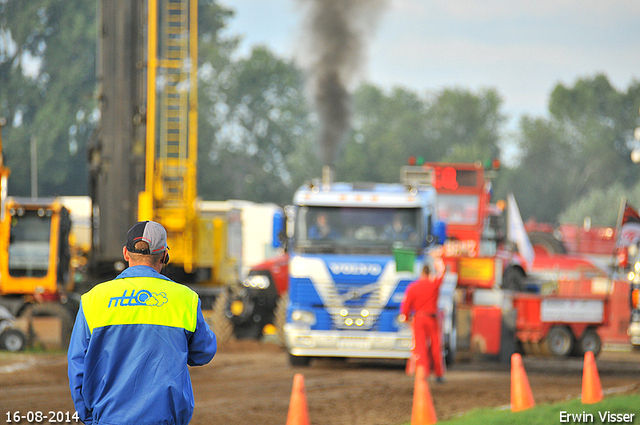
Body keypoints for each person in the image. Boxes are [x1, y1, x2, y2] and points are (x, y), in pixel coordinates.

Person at [68, 221, 217, 425]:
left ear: (125, 254)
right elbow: (204, 352)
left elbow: (78, 363)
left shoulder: (93, 299)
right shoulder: (185, 299)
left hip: (108, 419)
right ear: (164, 256)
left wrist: (88, 417)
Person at [399, 260, 446, 383]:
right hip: (433, 319)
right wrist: (439, 261)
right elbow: (442, 274)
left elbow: (405, 307)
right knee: (436, 346)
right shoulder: (434, 284)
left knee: (420, 347)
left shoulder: (413, 287)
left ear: (421, 273)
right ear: (429, 273)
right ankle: (439, 374)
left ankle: (422, 373)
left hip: (419, 318)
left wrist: (406, 318)